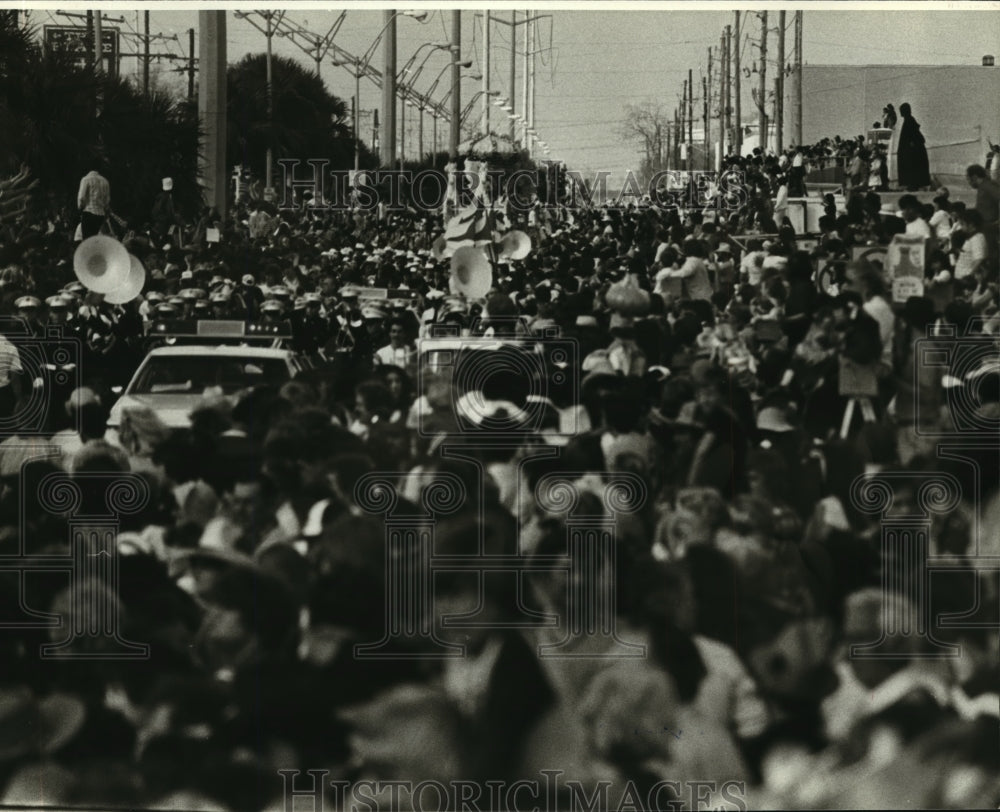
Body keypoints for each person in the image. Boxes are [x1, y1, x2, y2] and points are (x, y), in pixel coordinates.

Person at [966, 163, 1000, 263]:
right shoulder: (984, 186)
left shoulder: (987, 185)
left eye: (968, 179)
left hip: (989, 225)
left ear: (975, 177)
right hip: (984, 225)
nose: (968, 182)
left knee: (990, 255)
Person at [896, 103, 931, 190]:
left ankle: (913, 183)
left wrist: (911, 146)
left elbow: (913, 136)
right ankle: (912, 183)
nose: (900, 112)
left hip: (912, 152)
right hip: (911, 150)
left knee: (912, 167)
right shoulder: (909, 120)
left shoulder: (909, 121)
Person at [77, 160, 111, 239]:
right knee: (94, 238)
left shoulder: (86, 179)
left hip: (89, 212)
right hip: (100, 215)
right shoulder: (105, 181)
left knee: (87, 239)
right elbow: (107, 201)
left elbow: (81, 198)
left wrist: (80, 208)